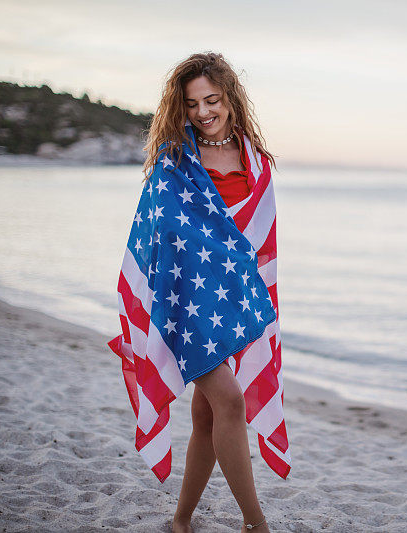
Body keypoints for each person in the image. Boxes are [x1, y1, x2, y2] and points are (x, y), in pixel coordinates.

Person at [141, 52, 277, 533]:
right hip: (186, 304)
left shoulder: (255, 162)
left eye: (212, 100)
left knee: (206, 415)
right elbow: (162, 236)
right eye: (193, 103)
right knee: (232, 404)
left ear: (231, 99)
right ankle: (255, 522)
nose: (203, 111)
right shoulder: (174, 163)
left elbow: (258, 242)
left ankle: (181, 520)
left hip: (229, 305)